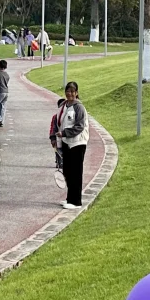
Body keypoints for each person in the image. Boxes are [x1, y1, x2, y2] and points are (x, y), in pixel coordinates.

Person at [57, 80, 89, 210]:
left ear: (76, 93)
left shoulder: (79, 107)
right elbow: (58, 122)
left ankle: (76, 201)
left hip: (77, 144)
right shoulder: (64, 105)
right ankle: (69, 198)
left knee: (76, 173)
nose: (69, 93)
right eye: (67, 91)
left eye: (72, 91)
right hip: (66, 143)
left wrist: (65, 133)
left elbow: (79, 126)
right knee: (67, 171)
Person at [48, 96, 67, 190]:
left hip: (67, 140)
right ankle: (59, 163)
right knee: (58, 152)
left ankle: (63, 164)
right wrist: (52, 138)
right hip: (58, 139)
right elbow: (53, 128)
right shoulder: (55, 117)